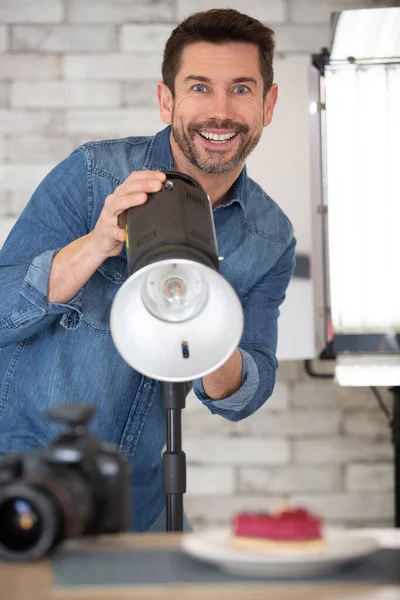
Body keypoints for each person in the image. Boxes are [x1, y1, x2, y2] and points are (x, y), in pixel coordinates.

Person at [0, 9, 296, 532]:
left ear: (268, 104)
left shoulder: (269, 236)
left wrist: (209, 331)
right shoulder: (94, 176)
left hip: (136, 507)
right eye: (200, 87)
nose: (221, 111)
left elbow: (247, 391)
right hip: (23, 485)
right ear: (167, 99)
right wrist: (94, 245)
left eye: (242, 89)